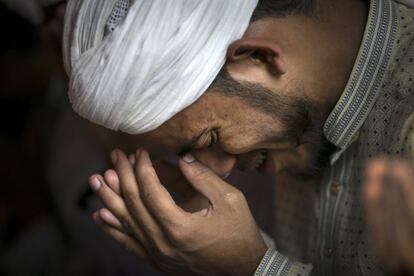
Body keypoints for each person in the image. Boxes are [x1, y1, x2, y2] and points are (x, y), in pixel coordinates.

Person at [62, 0, 414, 275]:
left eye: (209, 139)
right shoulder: (296, 130)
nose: (219, 171)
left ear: (258, 56)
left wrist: (250, 268)